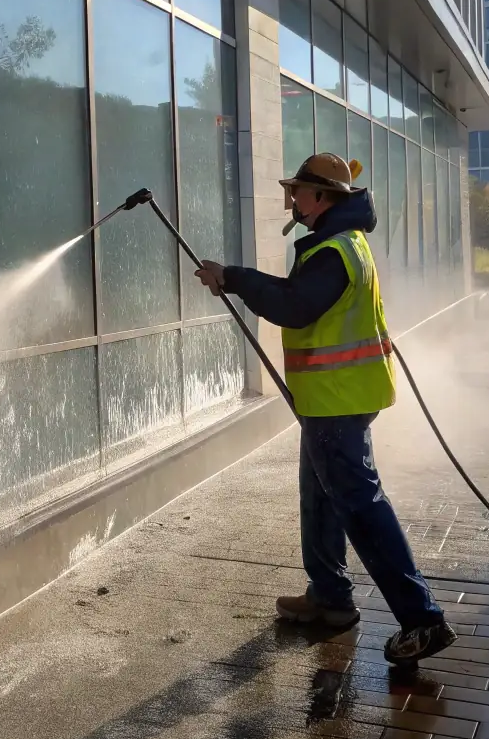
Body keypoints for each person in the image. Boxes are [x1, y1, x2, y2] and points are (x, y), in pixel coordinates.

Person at [195, 152, 456, 666]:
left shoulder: (335, 251)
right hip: (331, 400)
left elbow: (294, 306)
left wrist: (234, 277)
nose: (291, 199)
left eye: (297, 191)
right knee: (319, 497)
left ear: (321, 197)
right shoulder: (340, 245)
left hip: (338, 403)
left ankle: (422, 619)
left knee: (361, 507)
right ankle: (331, 598)